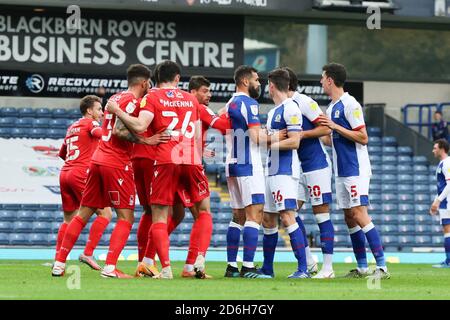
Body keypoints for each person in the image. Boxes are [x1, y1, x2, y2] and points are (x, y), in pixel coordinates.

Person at [52, 64, 164, 278]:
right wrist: (146, 140)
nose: (149, 86)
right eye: (148, 83)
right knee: (126, 217)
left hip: (96, 160)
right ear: (143, 82)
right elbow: (120, 131)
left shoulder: (115, 97)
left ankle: (59, 263)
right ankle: (111, 267)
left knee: (82, 214)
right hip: (116, 162)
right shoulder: (132, 102)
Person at [106, 60, 213, 279]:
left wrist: (116, 110)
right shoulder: (191, 99)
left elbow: (138, 126)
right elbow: (198, 133)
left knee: (160, 214)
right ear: (177, 78)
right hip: (189, 156)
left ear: (154, 79)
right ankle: (194, 259)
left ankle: (163, 267)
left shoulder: (150, 97)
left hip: (162, 157)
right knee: (202, 210)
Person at [318, 62, 390, 280]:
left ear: (330, 79)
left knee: (359, 213)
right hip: (342, 170)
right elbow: (332, 139)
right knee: (349, 217)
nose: (321, 82)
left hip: (355, 169)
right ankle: (361, 267)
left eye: (322, 78)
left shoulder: (350, 104)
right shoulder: (332, 107)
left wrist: (335, 126)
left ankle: (382, 267)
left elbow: (363, 137)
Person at [223, 65, 282, 279]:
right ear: (246, 82)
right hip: (249, 165)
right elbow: (257, 138)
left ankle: (231, 267)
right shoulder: (250, 103)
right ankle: (248, 266)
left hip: (232, 163)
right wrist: (280, 136)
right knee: (254, 215)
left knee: (237, 216)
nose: (260, 83)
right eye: (256, 80)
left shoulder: (231, 102)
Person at [283, 67, 335, 278]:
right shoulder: (284, 106)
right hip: (299, 167)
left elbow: (326, 128)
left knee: (321, 214)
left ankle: (328, 268)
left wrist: (301, 134)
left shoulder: (304, 101)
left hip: (316, 165)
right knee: (289, 212)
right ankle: (309, 262)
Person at [258, 68, 309, 279]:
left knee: (288, 216)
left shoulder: (291, 108)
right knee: (268, 219)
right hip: (271, 169)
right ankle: (267, 269)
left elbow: (295, 141)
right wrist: (269, 138)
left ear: (271, 85)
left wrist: (269, 139)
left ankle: (303, 269)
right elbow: (263, 138)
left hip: (285, 171)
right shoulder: (273, 112)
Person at [56, 95, 113, 271]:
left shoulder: (72, 126)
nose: (102, 113)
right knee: (106, 214)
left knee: (68, 219)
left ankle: (58, 259)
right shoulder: (91, 123)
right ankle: (88, 253)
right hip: (81, 173)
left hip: (65, 173)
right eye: (99, 109)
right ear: (89, 111)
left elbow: (63, 153)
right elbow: (102, 135)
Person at [429, 138, 450, 268]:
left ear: (442, 149)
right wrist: (435, 202)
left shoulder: (447, 163)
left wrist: (438, 200)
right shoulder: (443, 163)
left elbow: (449, 184)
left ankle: (448, 261)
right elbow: (442, 186)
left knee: (447, 231)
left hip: (447, 202)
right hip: (445, 201)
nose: (433, 151)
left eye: (435, 148)